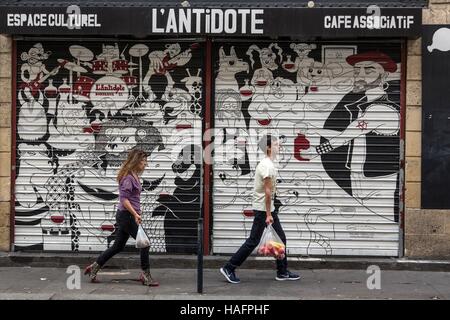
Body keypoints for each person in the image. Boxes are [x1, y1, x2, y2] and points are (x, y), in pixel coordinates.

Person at [220, 135, 301, 283]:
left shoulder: (268, 164)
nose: (279, 147)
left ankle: (282, 272)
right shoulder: (267, 166)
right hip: (264, 210)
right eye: (276, 144)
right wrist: (269, 214)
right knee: (253, 241)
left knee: (280, 238)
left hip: (267, 209)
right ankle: (229, 267)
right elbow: (267, 193)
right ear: (269, 147)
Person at [84, 148, 159, 286]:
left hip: (128, 215)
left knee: (117, 246)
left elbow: (132, 197)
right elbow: (124, 199)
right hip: (126, 216)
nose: (145, 164)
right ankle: (145, 275)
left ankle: (94, 267)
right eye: (143, 161)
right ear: (136, 161)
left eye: (145, 161)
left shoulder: (134, 175)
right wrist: (135, 214)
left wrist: (137, 211)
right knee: (145, 243)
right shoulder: (128, 178)